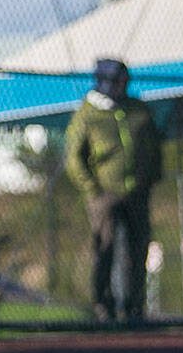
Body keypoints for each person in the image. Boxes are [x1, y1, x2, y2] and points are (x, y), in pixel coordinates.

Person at [65, 58, 163, 324]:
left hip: (137, 192)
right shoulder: (88, 114)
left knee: (137, 249)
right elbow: (74, 157)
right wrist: (92, 188)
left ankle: (133, 308)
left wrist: (150, 179)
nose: (122, 86)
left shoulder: (137, 109)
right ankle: (103, 307)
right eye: (117, 81)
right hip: (104, 194)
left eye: (124, 81)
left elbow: (154, 147)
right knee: (104, 249)